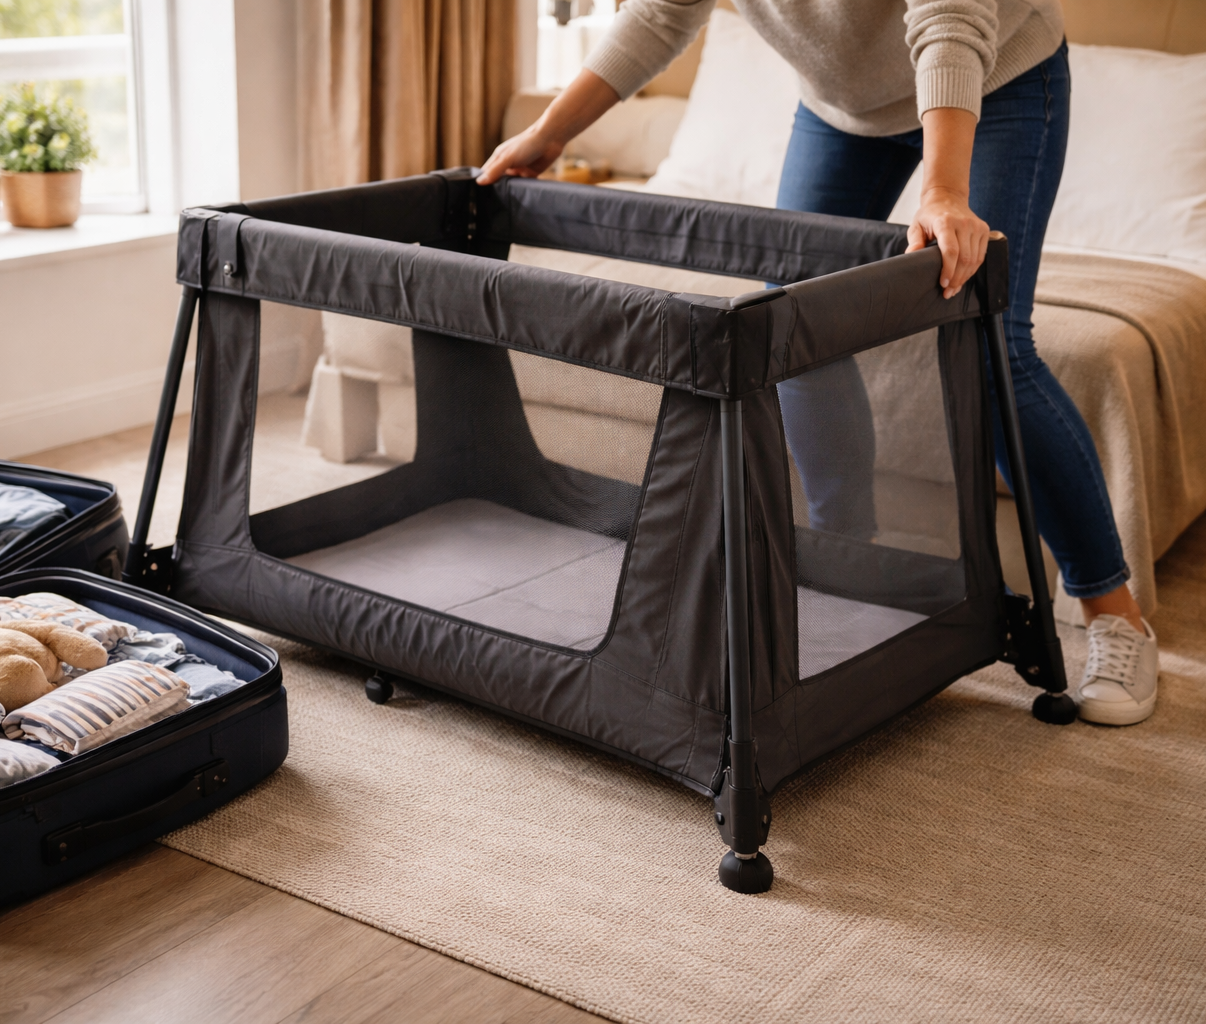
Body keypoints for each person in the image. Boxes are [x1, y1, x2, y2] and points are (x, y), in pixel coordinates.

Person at [478, 0, 1161, 726]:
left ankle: (1115, 614)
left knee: (989, 345)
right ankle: (847, 566)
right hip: (847, 111)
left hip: (996, 82)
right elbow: (659, 15)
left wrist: (943, 191)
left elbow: (951, 18)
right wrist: (548, 134)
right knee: (794, 327)